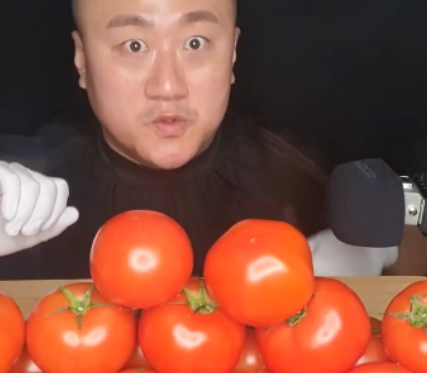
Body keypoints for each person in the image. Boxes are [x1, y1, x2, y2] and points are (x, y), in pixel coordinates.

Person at [0, 0, 425, 280]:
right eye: (134, 45)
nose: (168, 87)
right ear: (82, 60)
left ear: (232, 53)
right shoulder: (16, 188)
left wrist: (379, 252)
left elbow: (413, 252)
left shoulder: (296, 173)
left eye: (195, 43)